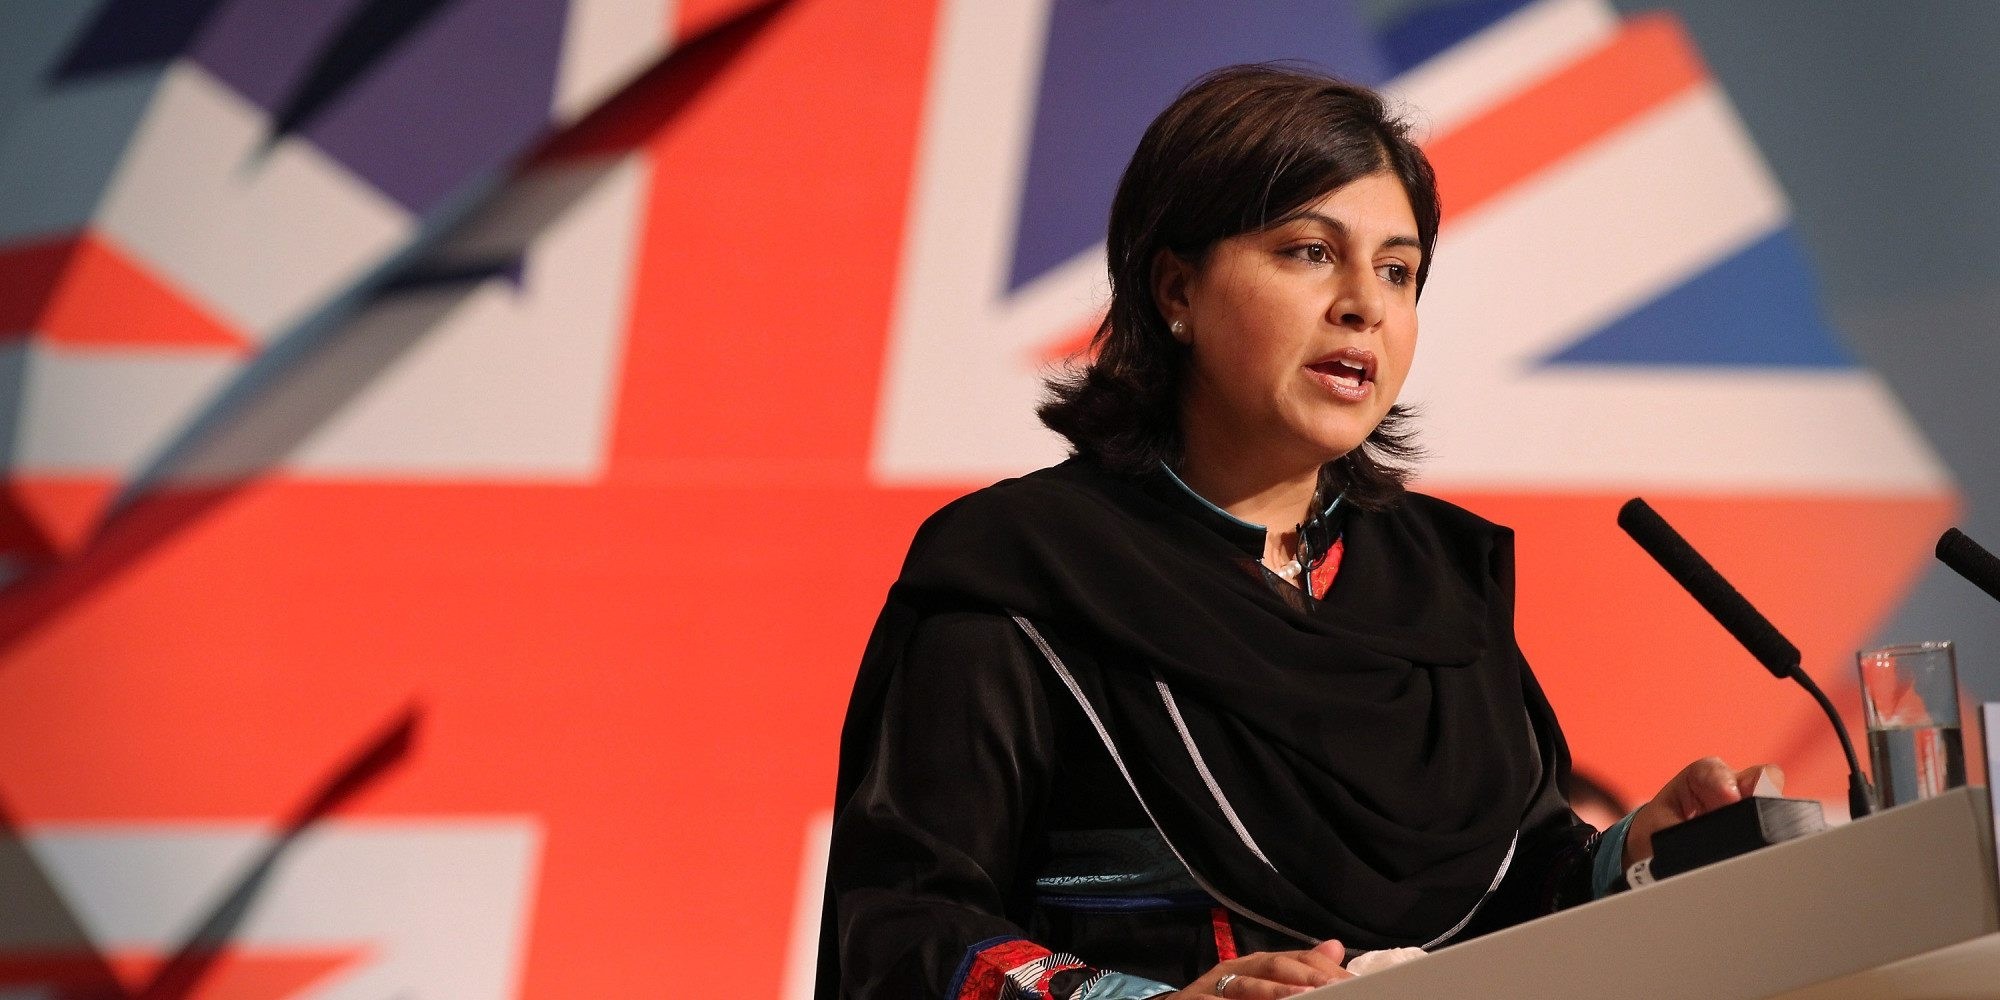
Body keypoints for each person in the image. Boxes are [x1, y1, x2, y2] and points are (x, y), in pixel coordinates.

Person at [817, 65, 1777, 1000]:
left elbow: (1519, 886)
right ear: (1175, 292)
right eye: (1309, 252)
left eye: (1397, 271)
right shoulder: (1020, 574)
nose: (1364, 302)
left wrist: (1635, 853)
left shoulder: (1441, 581)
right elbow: (903, 929)